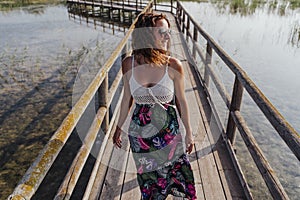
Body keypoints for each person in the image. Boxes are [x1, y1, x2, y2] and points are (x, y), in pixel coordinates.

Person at [113, 12, 196, 200]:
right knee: (150, 182)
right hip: (140, 135)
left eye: (168, 31)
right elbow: (127, 98)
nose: (167, 36)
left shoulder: (173, 65)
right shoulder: (129, 63)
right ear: (147, 33)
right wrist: (118, 127)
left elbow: (182, 101)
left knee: (179, 177)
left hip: (169, 132)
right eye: (162, 31)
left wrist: (189, 133)